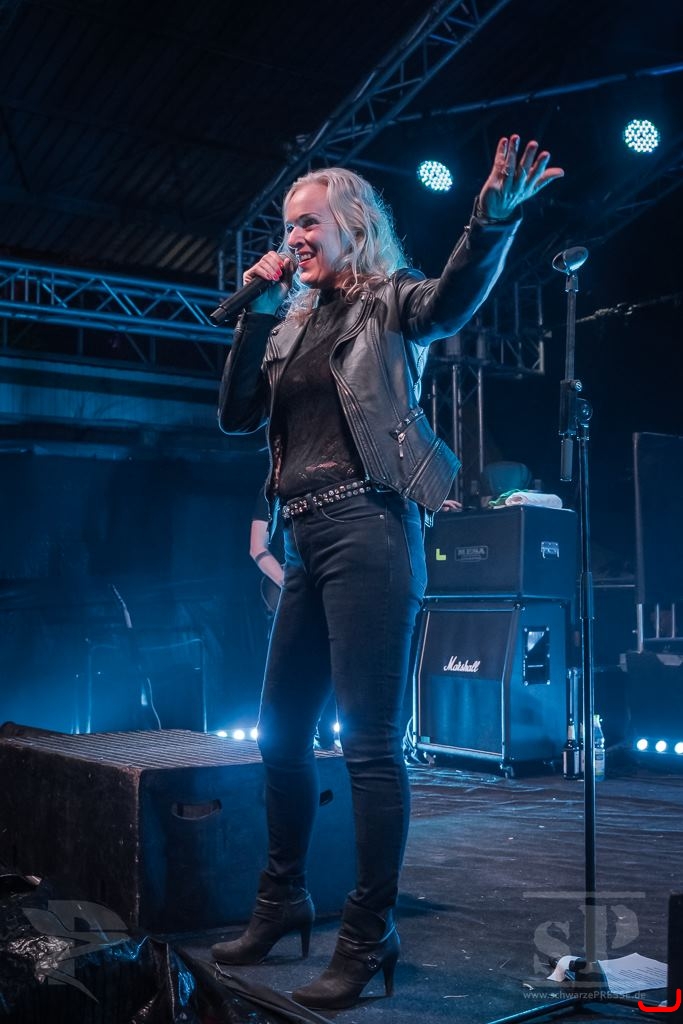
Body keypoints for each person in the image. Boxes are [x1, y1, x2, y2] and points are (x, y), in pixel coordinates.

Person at [212, 135, 564, 1010]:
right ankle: (283, 900)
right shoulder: (288, 323)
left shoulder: (386, 301)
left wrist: (490, 222)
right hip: (304, 538)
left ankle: (368, 933)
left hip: (369, 527)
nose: (294, 236)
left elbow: (450, 302)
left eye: (309, 222)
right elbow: (235, 414)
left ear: (353, 226)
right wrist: (257, 309)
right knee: (280, 736)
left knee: (367, 742)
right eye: (288, 225)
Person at [250, 484, 338, 748]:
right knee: (293, 663)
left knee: (331, 659)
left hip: (326, 583)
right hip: (290, 587)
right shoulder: (270, 491)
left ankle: (326, 734)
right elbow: (256, 548)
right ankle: (288, 735)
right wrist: (287, 582)